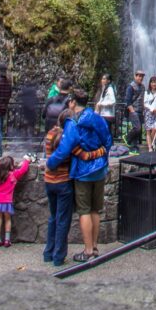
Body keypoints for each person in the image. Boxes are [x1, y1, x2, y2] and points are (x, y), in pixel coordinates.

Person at [46, 88, 112, 263]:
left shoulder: (72, 123)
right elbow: (108, 141)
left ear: (73, 102)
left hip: (83, 172)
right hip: (99, 170)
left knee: (84, 211)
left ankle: (88, 251)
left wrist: (50, 163)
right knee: (95, 209)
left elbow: (65, 148)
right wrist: (99, 155)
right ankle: (95, 247)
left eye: (70, 101)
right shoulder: (97, 118)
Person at [43, 108, 75, 267]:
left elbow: (46, 155)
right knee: (63, 220)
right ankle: (58, 256)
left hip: (49, 181)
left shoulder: (50, 134)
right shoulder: (67, 139)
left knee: (53, 217)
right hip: (63, 182)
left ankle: (48, 252)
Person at [0, 153, 31, 247]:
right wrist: (26, 160)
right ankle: (7, 240)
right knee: (7, 220)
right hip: (7, 202)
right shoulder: (13, 175)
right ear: (11, 166)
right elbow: (23, 169)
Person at [125, 70, 145, 152]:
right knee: (137, 128)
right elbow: (128, 101)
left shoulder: (143, 87)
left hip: (140, 110)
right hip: (133, 111)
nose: (140, 77)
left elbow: (143, 99)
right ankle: (127, 138)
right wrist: (132, 112)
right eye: (139, 76)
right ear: (135, 76)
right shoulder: (131, 87)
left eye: (142, 76)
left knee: (138, 131)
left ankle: (134, 147)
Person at [144, 76, 156, 152]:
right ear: (150, 83)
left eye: (155, 82)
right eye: (152, 82)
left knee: (155, 129)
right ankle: (150, 147)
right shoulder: (146, 92)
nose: (154, 84)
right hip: (148, 113)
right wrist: (151, 109)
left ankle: (151, 143)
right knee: (148, 130)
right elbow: (145, 103)